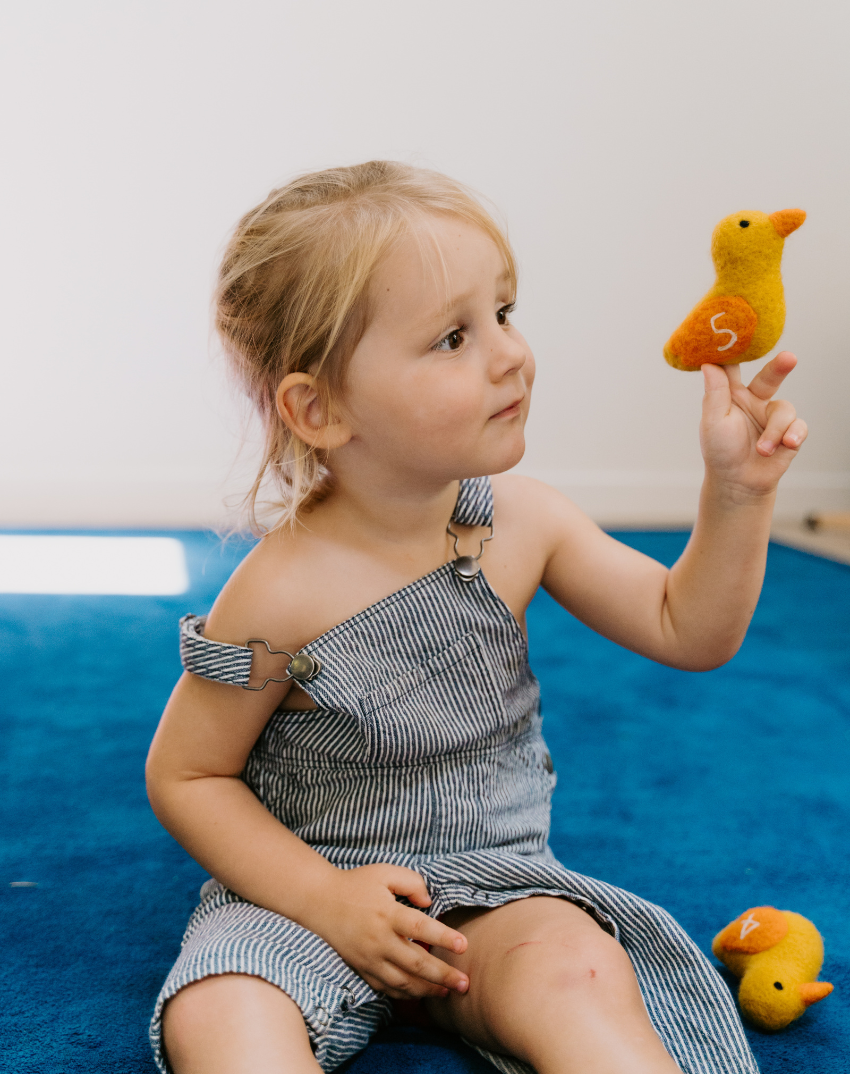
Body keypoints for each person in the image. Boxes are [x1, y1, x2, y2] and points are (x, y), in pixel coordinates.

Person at [145, 161, 807, 1074]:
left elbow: (684, 625)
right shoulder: (277, 594)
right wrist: (327, 899)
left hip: (495, 888)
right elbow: (190, 774)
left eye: (504, 311)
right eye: (453, 337)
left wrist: (735, 495)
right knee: (218, 1014)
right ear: (321, 408)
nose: (509, 353)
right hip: (307, 896)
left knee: (580, 969)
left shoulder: (525, 522)